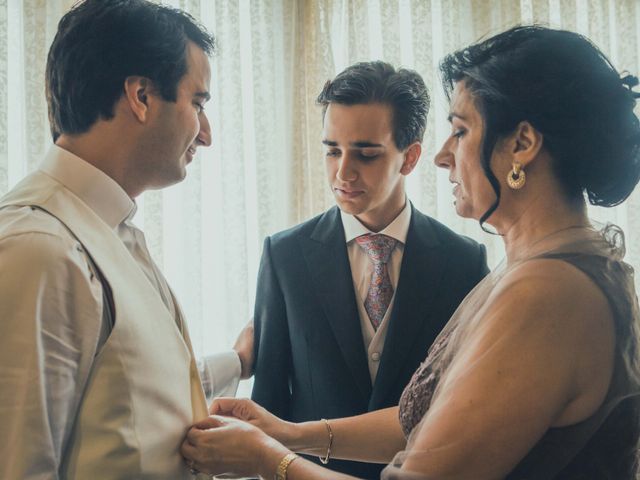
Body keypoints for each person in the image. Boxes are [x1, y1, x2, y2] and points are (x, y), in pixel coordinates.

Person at [181, 25, 640, 480]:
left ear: (522, 144)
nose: (443, 156)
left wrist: (268, 458)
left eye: (460, 131)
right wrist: (289, 433)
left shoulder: (548, 295)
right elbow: (430, 423)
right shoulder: (543, 269)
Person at [0, 1, 250, 478]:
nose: (207, 134)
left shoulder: (107, 233)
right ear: (140, 96)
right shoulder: (37, 249)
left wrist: (238, 362)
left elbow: (125, 395)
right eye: (198, 103)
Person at [250, 61, 488, 479]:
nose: (343, 171)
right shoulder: (284, 255)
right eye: (331, 150)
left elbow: (469, 405)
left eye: (366, 153)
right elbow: (267, 402)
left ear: (410, 157)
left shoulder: (463, 262)